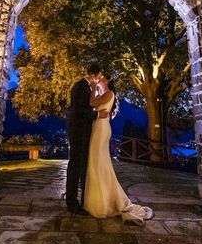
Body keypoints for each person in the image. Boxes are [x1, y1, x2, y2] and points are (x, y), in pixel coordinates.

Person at [84, 75, 153, 225]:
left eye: (100, 78)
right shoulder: (103, 94)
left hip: (101, 128)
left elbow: (91, 103)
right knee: (97, 162)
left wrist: (94, 87)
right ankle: (99, 198)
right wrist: (94, 89)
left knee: (99, 162)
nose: (98, 79)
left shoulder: (109, 94)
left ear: (107, 81)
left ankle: (104, 202)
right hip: (98, 126)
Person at [65, 62, 109, 214]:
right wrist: (97, 114)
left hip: (83, 132)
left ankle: (82, 200)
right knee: (75, 165)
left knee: (81, 165)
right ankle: (71, 202)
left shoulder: (85, 87)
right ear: (95, 75)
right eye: (99, 76)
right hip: (77, 131)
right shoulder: (79, 87)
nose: (99, 79)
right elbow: (77, 111)